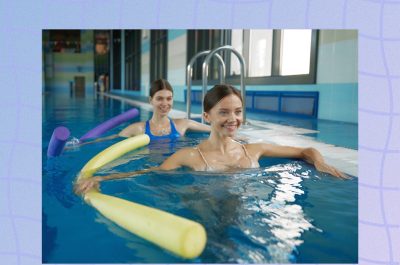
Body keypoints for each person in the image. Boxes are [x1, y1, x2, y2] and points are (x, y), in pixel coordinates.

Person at [75, 84, 348, 194]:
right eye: (225, 112)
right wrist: (102, 178)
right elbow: (148, 172)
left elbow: (306, 150)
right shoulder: (188, 156)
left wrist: (321, 164)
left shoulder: (255, 150)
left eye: (238, 112)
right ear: (207, 116)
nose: (233, 119)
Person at [78, 79, 210, 146]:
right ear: (150, 100)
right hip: (149, 173)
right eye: (160, 98)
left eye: (169, 99)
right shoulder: (137, 128)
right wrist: (80, 144)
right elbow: (111, 140)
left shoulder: (183, 124)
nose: (165, 103)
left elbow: (213, 130)